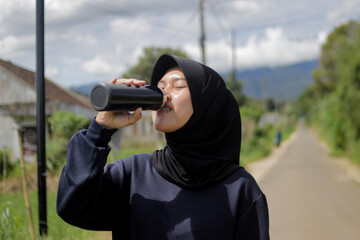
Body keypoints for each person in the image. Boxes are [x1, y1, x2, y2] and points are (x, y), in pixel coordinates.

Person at [57, 54, 269, 240]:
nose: (164, 93)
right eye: (159, 86)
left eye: (178, 86)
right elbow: (73, 207)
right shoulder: (133, 175)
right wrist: (98, 130)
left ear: (207, 107)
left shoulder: (240, 190)